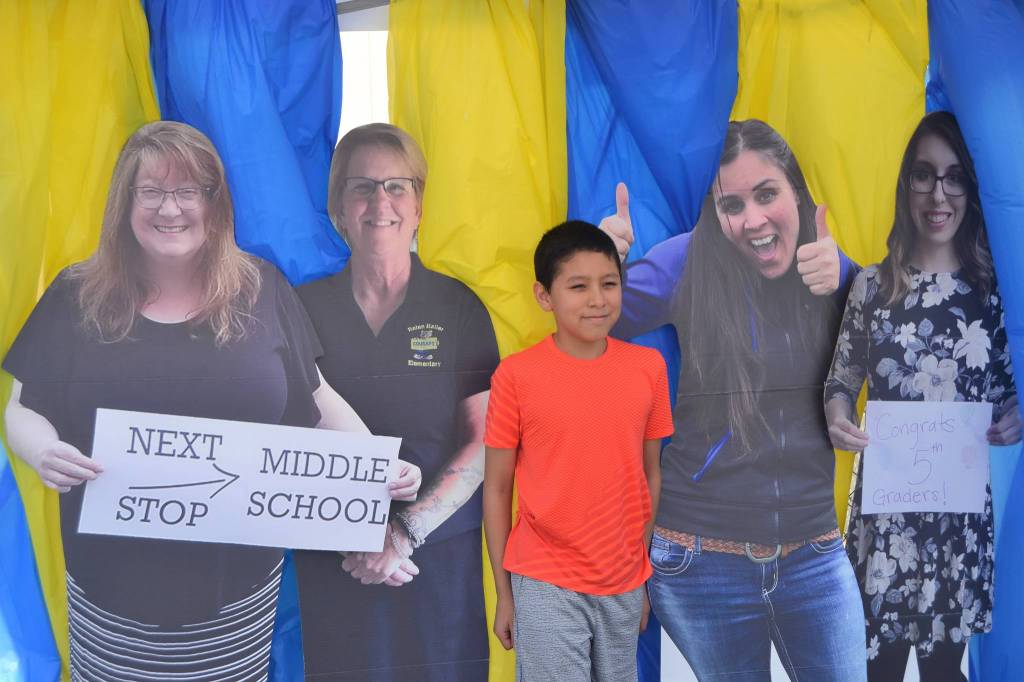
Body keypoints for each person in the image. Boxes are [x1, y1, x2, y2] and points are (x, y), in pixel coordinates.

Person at [1, 121, 419, 681]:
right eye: (151, 191)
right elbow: (22, 406)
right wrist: (43, 449)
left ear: (214, 202)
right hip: (109, 592)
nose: (170, 209)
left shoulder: (262, 289)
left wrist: (373, 471)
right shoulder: (76, 295)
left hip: (237, 596)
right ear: (125, 202)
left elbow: (317, 401)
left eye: (188, 191)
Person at [600, 119, 865, 680]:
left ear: (796, 189)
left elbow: (898, 340)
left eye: (767, 194)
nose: (753, 220)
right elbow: (596, 322)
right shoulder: (687, 260)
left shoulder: (828, 268)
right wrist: (604, 267)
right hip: (700, 563)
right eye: (732, 205)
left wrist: (847, 278)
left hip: (813, 553)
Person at [293, 123, 500, 681]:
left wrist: (403, 532)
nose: (379, 202)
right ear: (338, 208)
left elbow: (485, 442)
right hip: (337, 566)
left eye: (396, 186)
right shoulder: (300, 309)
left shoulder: (458, 307)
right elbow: (284, 439)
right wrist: (358, 539)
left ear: (419, 206)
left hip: (435, 564)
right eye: (361, 187)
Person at [824, 111, 1020, 681]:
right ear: (905, 183)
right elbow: (841, 383)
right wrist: (838, 416)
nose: (939, 193)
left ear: (972, 190)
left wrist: (1017, 416)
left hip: (958, 527)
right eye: (925, 175)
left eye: (955, 176)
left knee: (942, 673)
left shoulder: (994, 294)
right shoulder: (871, 287)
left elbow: (1013, 390)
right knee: (876, 670)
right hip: (883, 524)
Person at [482, 221, 674, 682]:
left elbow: (651, 476)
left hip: (623, 582)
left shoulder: (648, 368)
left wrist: (640, 575)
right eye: (578, 286)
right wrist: (506, 595)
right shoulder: (516, 376)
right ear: (544, 296)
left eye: (609, 284)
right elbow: (496, 489)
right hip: (545, 577)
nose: (597, 299)